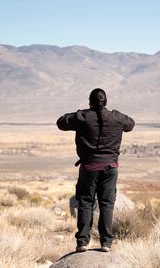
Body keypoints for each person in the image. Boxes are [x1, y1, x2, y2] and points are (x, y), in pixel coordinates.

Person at [56, 88, 135, 253]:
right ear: (105, 102)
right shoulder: (115, 117)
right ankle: (106, 243)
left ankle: (82, 242)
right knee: (107, 204)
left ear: (90, 102)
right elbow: (130, 124)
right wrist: (114, 114)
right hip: (110, 168)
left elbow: (61, 122)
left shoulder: (83, 117)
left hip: (89, 168)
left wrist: (80, 113)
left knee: (85, 203)